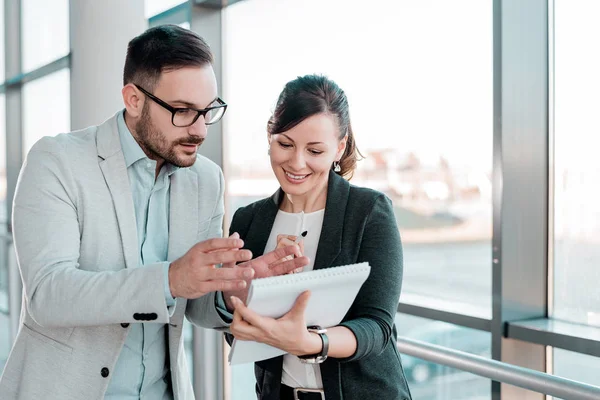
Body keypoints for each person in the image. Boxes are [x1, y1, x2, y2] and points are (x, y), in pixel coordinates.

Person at [0, 25, 307, 400]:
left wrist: (237, 285)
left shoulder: (206, 180)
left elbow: (197, 309)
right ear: (133, 99)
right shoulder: (57, 161)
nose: (199, 130)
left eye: (207, 111)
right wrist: (170, 279)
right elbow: (49, 295)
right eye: (182, 111)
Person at [224, 75, 413, 400]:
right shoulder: (249, 220)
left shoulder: (369, 212)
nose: (296, 163)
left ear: (339, 148)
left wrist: (312, 343)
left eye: (314, 150)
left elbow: (377, 327)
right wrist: (238, 297)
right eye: (284, 144)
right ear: (270, 136)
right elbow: (238, 330)